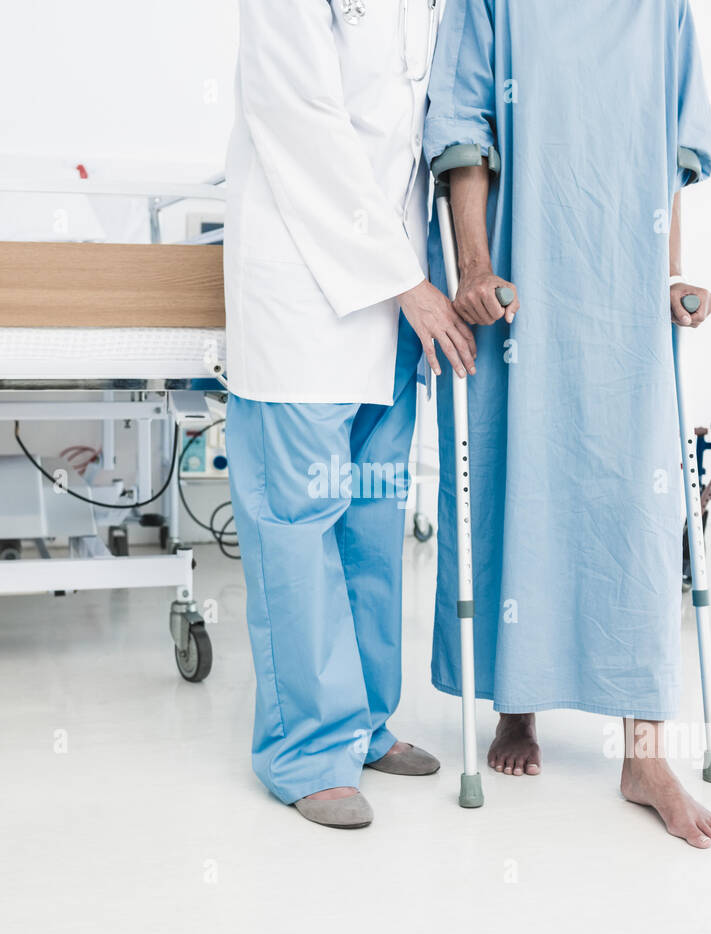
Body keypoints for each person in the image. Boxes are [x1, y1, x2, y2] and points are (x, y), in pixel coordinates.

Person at [423, 0, 711, 848]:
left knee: (633, 505)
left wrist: (671, 276)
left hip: (622, 283)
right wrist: (476, 267)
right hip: (527, 276)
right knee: (519, 479)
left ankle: (645, 753)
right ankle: (516, 709)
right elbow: (463, 137)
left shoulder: (660, 10)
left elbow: (672, 150)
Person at [223, 0, 473, 828]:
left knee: (371, 521)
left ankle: (363, 721)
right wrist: (409, 282)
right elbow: (303, 126)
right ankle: (305, 752)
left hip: (395, 303)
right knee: (298, 525)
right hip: (304, 294)